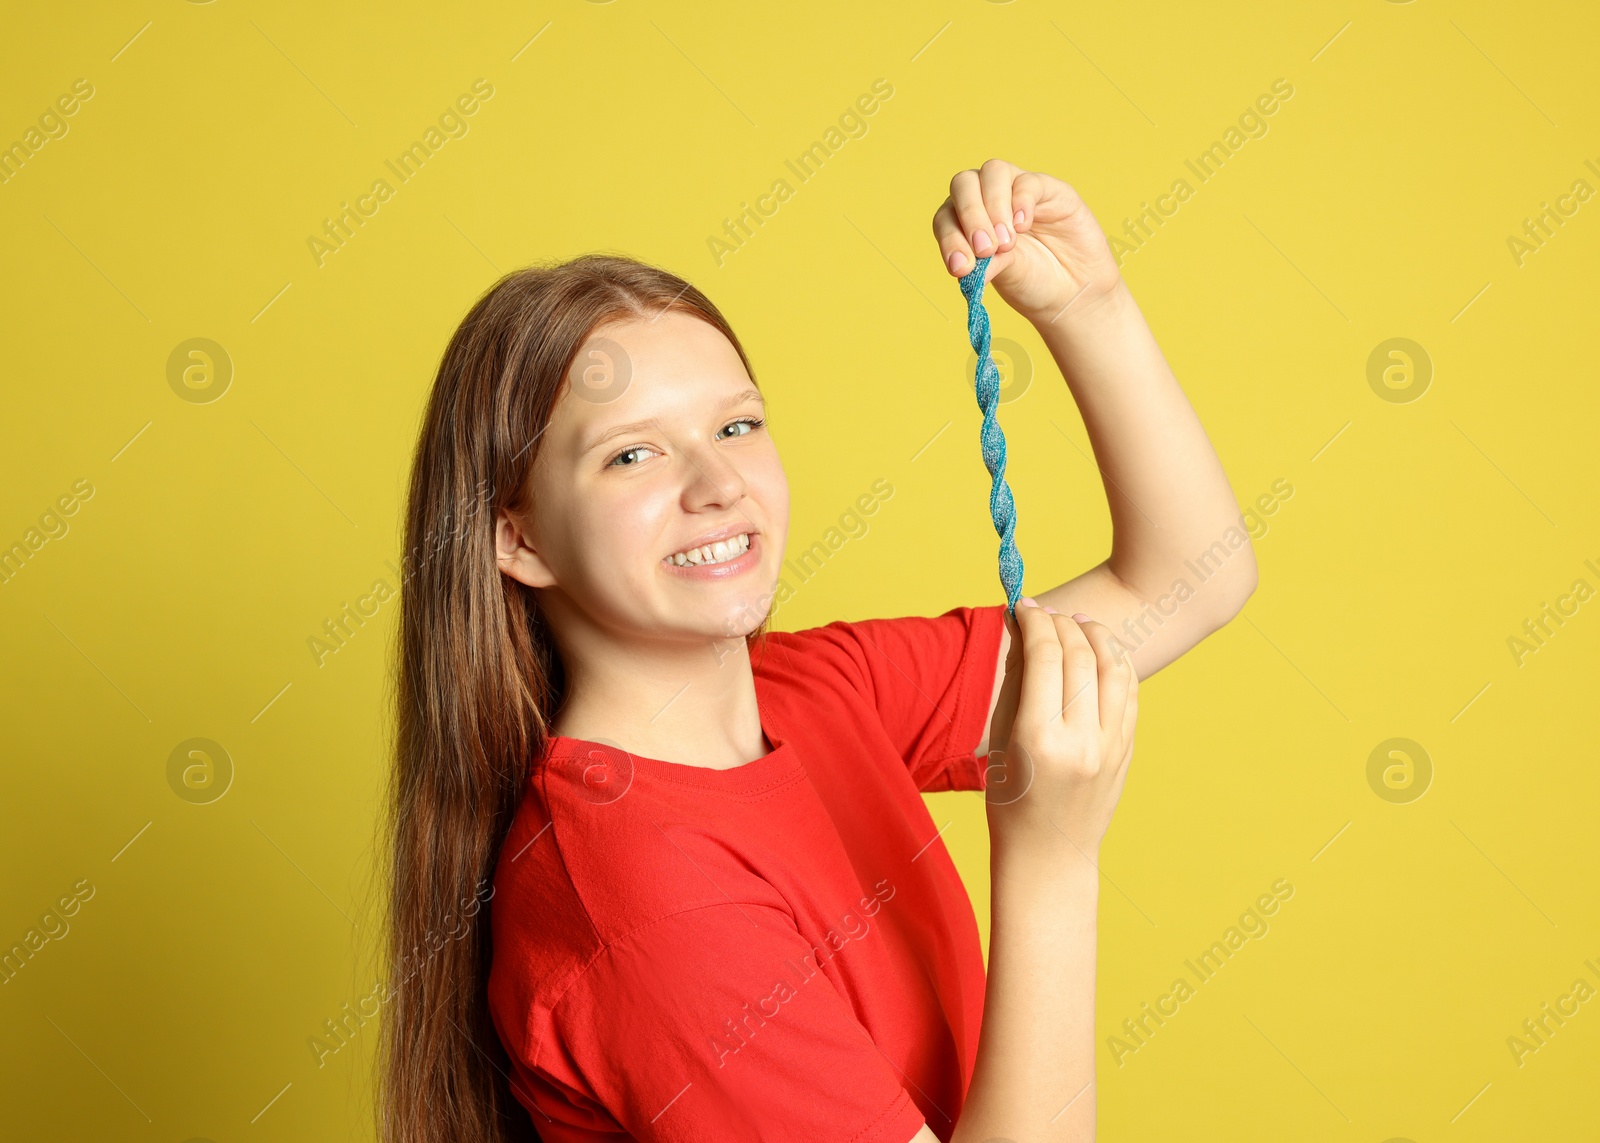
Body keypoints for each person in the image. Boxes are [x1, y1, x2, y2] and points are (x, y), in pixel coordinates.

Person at [378, 159, 1258, 1142]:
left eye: (736, 424)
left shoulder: (817, 692)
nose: (717, 482)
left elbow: (1191, 578)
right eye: (632, 453)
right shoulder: (640, 903)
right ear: (519, 536)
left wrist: (1087, 306)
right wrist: (1051, 861)